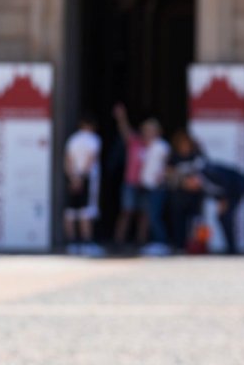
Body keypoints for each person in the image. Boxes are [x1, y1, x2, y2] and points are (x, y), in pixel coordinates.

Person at [180, 155, 244, 255]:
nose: (192, 188)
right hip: (227, 194)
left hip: (237, 187)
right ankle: (230, 247)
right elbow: (215, 192)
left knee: (226, 217)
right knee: (222, 217)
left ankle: (232, 249)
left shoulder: (208, 171)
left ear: (192, 178)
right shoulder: (201, 188)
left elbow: (227, 181)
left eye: (189, 185)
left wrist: (224, 200)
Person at [63, 114, 103, 256]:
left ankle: (72, 244)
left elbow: (67, 160)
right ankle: (86, 243)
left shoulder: (73, 139)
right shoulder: (93, 139)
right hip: (87, 178)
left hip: (72, 178)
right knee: (86, 210)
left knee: (71, 211)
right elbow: (90, 159)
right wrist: (80, 177)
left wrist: (72, 177)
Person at [111, 104, 148, 249]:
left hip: (146, 184)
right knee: (126, 211)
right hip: (131, 182)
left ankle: (141, 242)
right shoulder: (134, 142)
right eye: (145, 130)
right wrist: (121, 118)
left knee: (144, 214)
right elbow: (125, 131)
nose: (147, 133)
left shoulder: (155, 146)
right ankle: (118, 241)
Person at [166, 131, 205, 251]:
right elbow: (168, 173)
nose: (184, 145)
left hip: (194, 195)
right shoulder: (174, 157)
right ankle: (179, 245)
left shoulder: (196, 155)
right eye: (182, 143)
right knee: (178, 221)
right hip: (178, 194)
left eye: (186, 143)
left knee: (194, 221)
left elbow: (204, 171)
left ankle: (195, 246)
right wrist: (183, 182)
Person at [138, 118, 171, 256]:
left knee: (155, 216)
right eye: (145, 130)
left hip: (157, 186)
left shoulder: (161, 146)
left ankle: (162, 243)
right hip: (147, 186)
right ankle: (154, 242)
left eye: (150, 130)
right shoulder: (148, 146)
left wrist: (162, 175)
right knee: (150, 216)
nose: (147, 133)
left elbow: (168, 163)